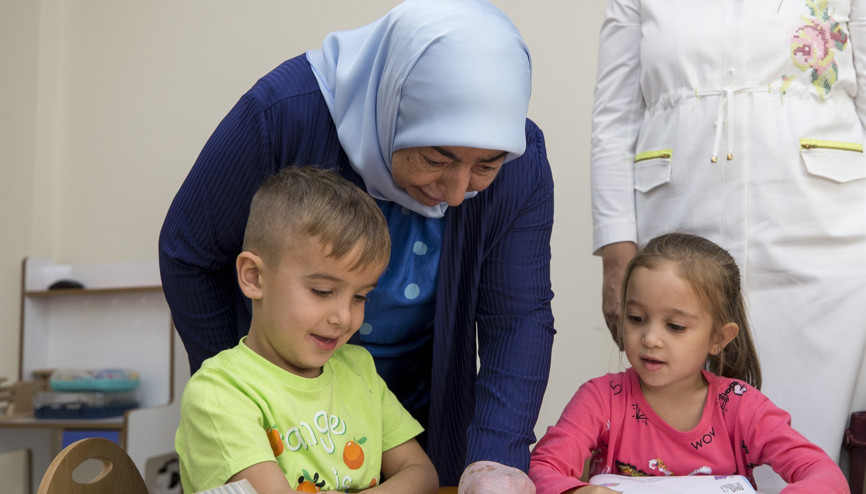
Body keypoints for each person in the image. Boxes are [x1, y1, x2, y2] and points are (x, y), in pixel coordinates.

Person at [158, 0, 554, 489]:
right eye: (435, 159)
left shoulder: (520, 158)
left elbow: (517, 318)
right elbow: (189, 253)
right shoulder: (282, 114)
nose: (456, 193)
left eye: (486, 167)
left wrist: (496, 460)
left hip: (400, 401)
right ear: (390, 108)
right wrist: (256, 395)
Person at [590, 1, 866, 490]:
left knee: (811, 445)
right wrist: (616, 254)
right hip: (679, 221)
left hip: (823, 229)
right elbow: (613, 120)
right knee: (684, 438)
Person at [174, 167, 439, 493]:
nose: (343, 317)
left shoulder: (359, 371)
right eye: (323, 292)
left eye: (360, 297)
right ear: (255, 277)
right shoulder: (219, 393)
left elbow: (422, 473)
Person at [528, 233, 849, 494]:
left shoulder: (742, 407)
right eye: (636, 318)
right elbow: (542, 469)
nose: (650, 338)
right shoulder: (600, 398)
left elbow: (823, 473)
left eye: (675, 326)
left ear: (719, 338)